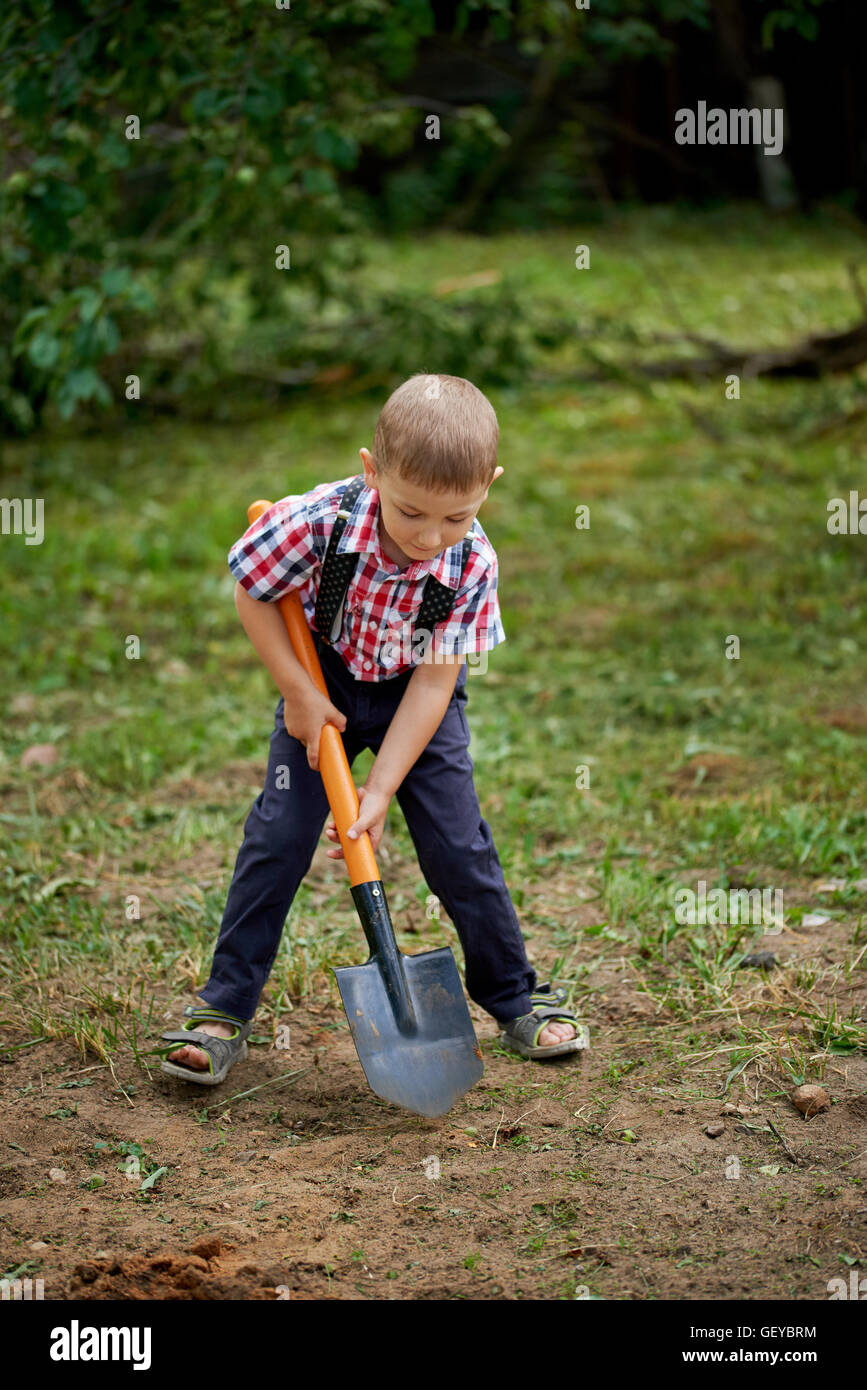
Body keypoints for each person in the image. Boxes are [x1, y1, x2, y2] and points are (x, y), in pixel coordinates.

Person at [157, 374, 586, 1086]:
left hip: (416, 699)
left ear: (489, 485)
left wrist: (380, 787)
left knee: (458, 846)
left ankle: (515, 996)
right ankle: (223, 1007)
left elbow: (435, 682)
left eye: (456, 516)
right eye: (412, 511)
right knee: (277, 838)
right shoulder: (316, 520)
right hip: (319, 685)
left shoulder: (471, 561)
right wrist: (297, 692)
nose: (429, 537)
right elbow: (254, 592)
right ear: (371, 470)